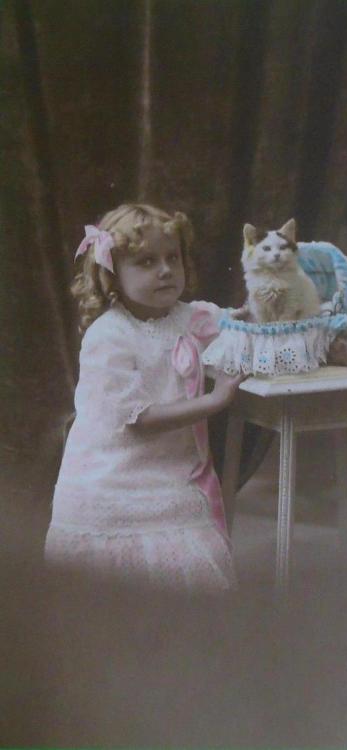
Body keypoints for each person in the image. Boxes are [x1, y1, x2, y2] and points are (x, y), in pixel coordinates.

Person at [44, 203, 243, 591]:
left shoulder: (188, 316)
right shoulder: (109, 335)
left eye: (173, 257)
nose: (166, 270)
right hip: (112, 483)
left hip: (168, 476)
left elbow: (237, 328)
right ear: (113, 275)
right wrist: (215, 400)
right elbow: (141, 418)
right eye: (147, 261)